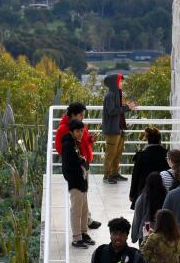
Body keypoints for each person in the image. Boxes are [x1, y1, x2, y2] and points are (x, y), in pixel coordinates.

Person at [56, 103, 103, 238]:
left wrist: (90, 139)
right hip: (77, 169)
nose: (83, 117)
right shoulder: (64, 129)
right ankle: (79, 233)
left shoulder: (79, 126)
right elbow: (62, 149)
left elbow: (83, 140)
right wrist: (78, 159)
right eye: (81, 115)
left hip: (83, 165)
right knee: (78, 199)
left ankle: (86, 222)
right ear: (72, 115)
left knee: (84, 196)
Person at [61, 119, 93, 248]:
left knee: (84, 210)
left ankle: (83, 233)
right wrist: (81, 161)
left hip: (81, 181)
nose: (80, 133)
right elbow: (68, 165)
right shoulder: (68, 145)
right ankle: (76, 238)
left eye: (81, 131)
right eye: (77, 131)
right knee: (76, 211)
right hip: (75, 182)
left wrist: (82, 161)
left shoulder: (75, 142)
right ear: (71, 131)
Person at [100, 73, 135, 183]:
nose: (122, 83)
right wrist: (126, 108)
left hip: (119, 128)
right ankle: (107, 175)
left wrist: (127, 107)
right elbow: (111, 111)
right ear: (114, 83)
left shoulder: (117, 94)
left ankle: (114, 173)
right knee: (111, 153)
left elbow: (119, 109)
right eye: (120, 81)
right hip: (112, 129)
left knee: (117, 152)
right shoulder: (110, 95)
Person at [128, 126, 168, 207]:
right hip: (162, 192)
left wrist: (132, 193)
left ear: (147, 140)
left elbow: (135, 176)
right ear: (160, 139)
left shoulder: (141, 156)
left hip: (143, 192)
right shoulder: (167, 155)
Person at [131, 171, 168, 244]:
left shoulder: (142, 198)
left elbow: (137, 218)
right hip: (162, 229)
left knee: (146, 251)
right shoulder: (167, 196)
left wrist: (134, 236)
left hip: (147, 226)